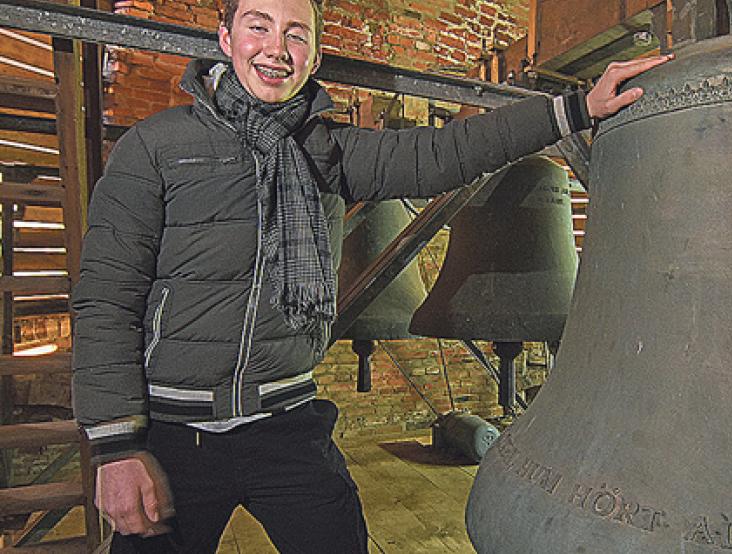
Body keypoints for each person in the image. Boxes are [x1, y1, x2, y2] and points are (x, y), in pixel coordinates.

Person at [70, 0, 674, 551]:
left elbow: (444, 154)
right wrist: (117, 446)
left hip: (286, 425)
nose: (276, 48)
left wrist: (574, 109)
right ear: (226, 38)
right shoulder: (156, 148)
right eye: (259, 27)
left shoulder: (327, 151)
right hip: (177, 433)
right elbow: (104, 298)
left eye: (296, 34)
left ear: (314, 55)